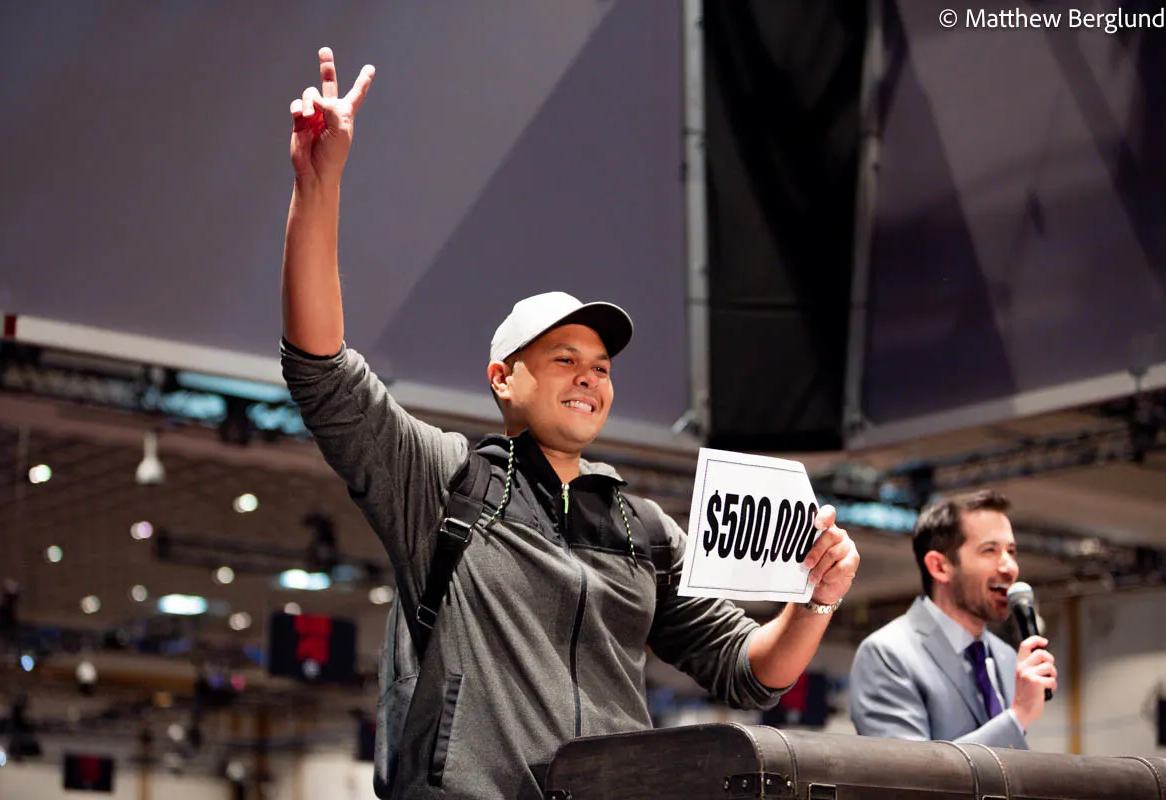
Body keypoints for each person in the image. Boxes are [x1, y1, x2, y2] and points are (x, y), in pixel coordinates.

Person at [280, 48, 861, 800]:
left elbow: (749, 671)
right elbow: (322, 370)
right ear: (503, 378)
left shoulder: (643, 530)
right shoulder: (444, 482)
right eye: (563, 359)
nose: (590, 376)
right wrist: (318, 184)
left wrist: (815, 600)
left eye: (601, 366)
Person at [848, 490, 1057, 748]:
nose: (1009, 567)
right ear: (939, 566)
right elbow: (909, 769)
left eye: (1011, 551)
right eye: (990, 550)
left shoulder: (1005, 656)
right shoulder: (887, 654)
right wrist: (1018, 715)